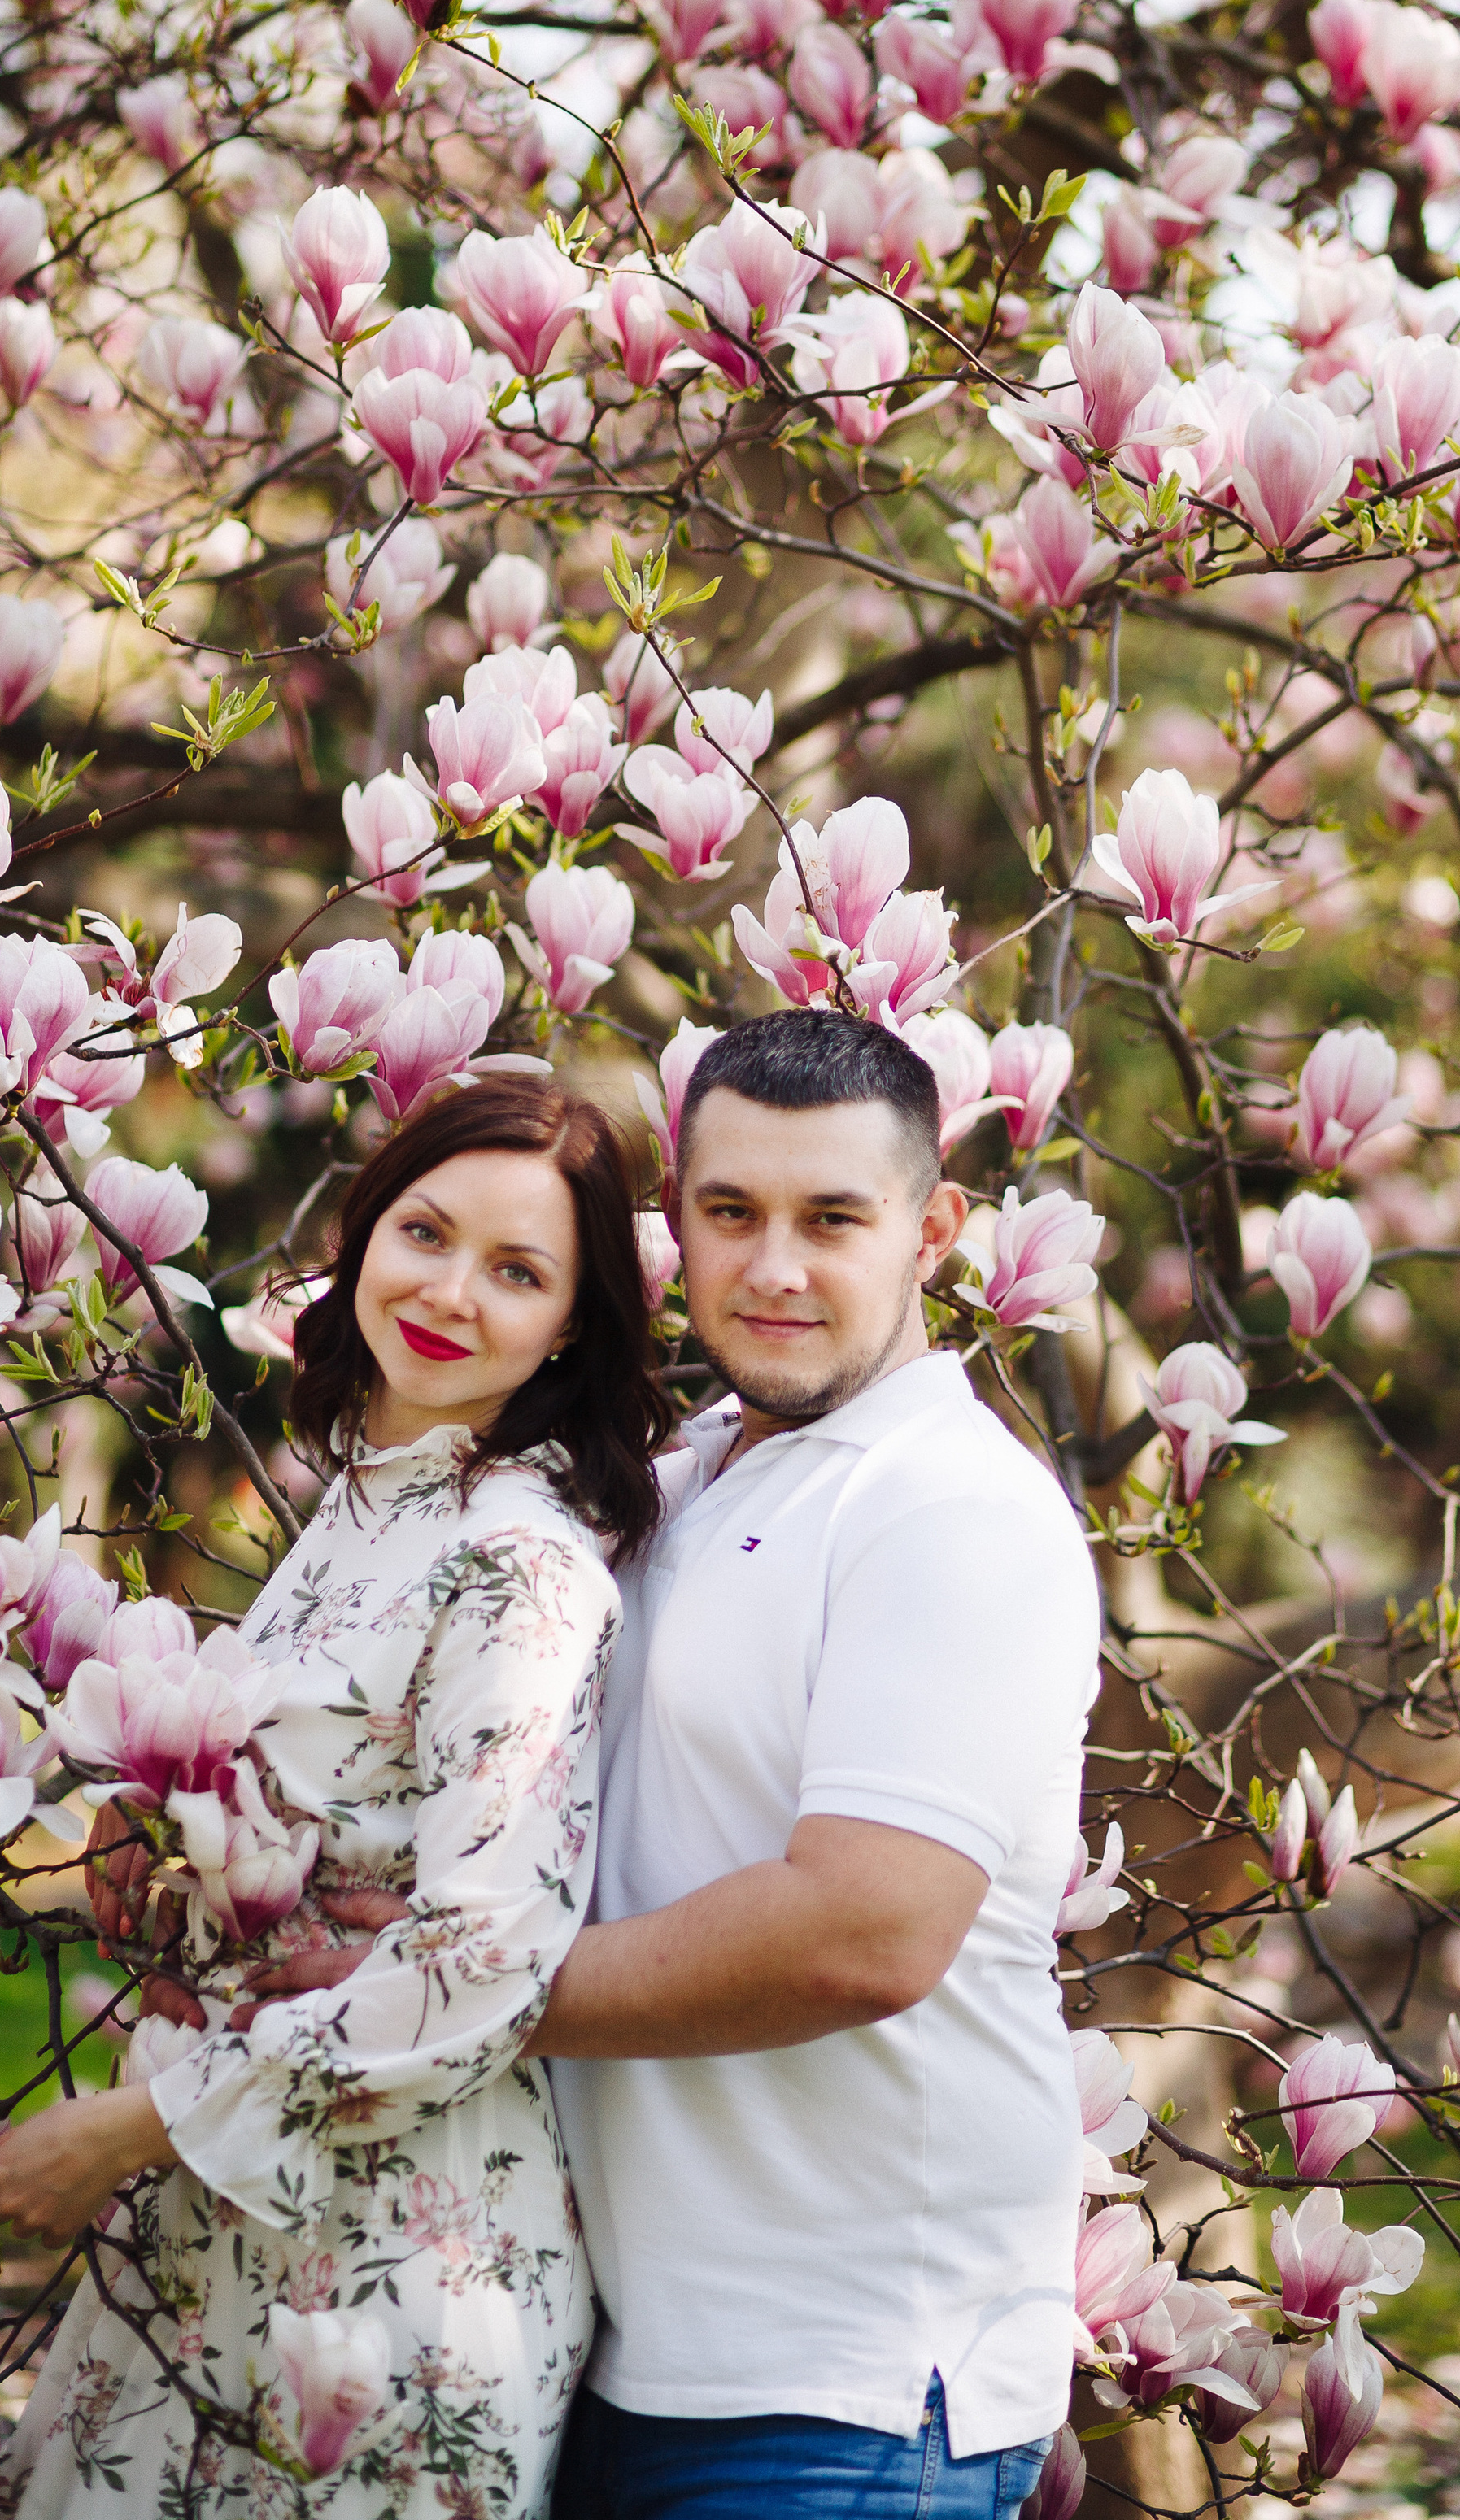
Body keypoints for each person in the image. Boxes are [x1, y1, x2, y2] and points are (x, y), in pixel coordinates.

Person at [0, 1078, 671, 2520]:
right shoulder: (371, 1496)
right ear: (366, 1235)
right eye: (426, 1231)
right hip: (235, 2208)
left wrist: (142, 2126)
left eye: (519, 1271)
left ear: (573, 1328)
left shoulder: (517, 1564)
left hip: (388, 2265)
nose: (451, 1293)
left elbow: (486, 1950)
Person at [538, 1008, 1102, 2520]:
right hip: (623, 2352)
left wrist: (455, 2002)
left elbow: (865, 1931)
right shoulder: (675, 1482)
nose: (774, 1267)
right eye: (732, 1213)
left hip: (850, 2394)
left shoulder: (949, 1511)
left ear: (935, 1230)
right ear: (678, 1225)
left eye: (832, 1219)